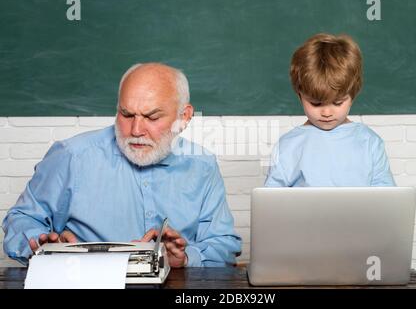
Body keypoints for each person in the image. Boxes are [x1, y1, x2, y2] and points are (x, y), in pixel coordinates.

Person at [2, 63, 241, 267]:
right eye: (126, 115)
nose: (136, 130)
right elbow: (22, 219)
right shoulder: (72, 156)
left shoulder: (203, 166)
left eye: (152, 117)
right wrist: (42, 245)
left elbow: (224, 244)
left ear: (184, 117)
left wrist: (185, 258)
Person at [265, 33, 395, 187]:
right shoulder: (288, 145)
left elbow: (386, 196)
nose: (327, 113)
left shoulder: (369, 142)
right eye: (316, 104)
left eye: (338, 103)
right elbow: (272, 199)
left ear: (352, 95)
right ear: (300, 96)